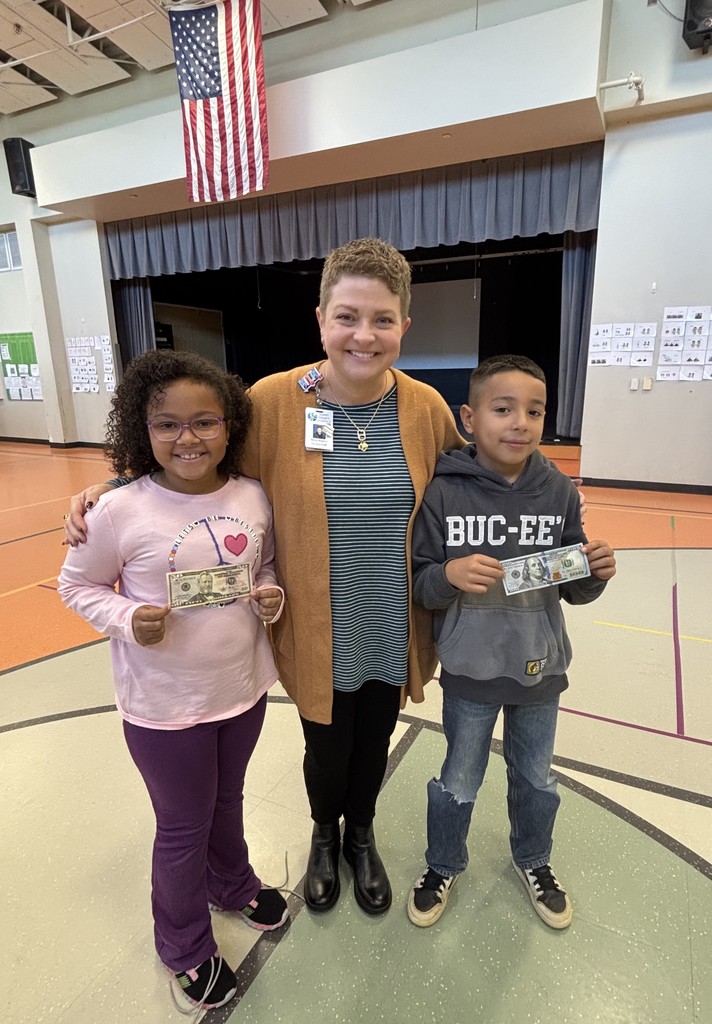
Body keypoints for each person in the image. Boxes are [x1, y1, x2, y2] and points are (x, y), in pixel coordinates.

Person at [64, 238, 465, 917]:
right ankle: (322, 832)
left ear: (404, 325)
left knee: (374, 741)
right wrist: (112, 485)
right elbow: (196, 463)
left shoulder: (425, 408)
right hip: (312, 623)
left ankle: (360, 835)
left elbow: (468, 487)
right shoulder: (277, 402)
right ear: (319, 319)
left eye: (381, 319)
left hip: (392, 620)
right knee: (326, 746)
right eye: (346, 316)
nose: (362, 335)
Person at [58, 350, 289, 1013]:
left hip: (242, 689)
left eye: (204, 422)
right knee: (183, 825)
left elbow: (262, 563)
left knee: (229, 801)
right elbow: (77, 585)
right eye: (167, 425)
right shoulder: (117, 510)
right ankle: (186, 946)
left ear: (229, 425)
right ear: (143, 429)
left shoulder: (250, 493)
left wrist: (268, 591)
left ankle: (234, 883)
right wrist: (129, 617)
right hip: (163, 706)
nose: (187, 438)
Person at [407, 354, 616, 931]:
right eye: (504, 409)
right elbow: (421, 583)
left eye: (534, 410)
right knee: (459, 778)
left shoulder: (558, 491)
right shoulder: (444, 492)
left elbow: (573, 588)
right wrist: (448, 576)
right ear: (470, 418)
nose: (520, 422)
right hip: (470, 670)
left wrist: (592, 572)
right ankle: (443, 863)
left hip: (540, 670)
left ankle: (534, 860)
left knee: (536, 778)